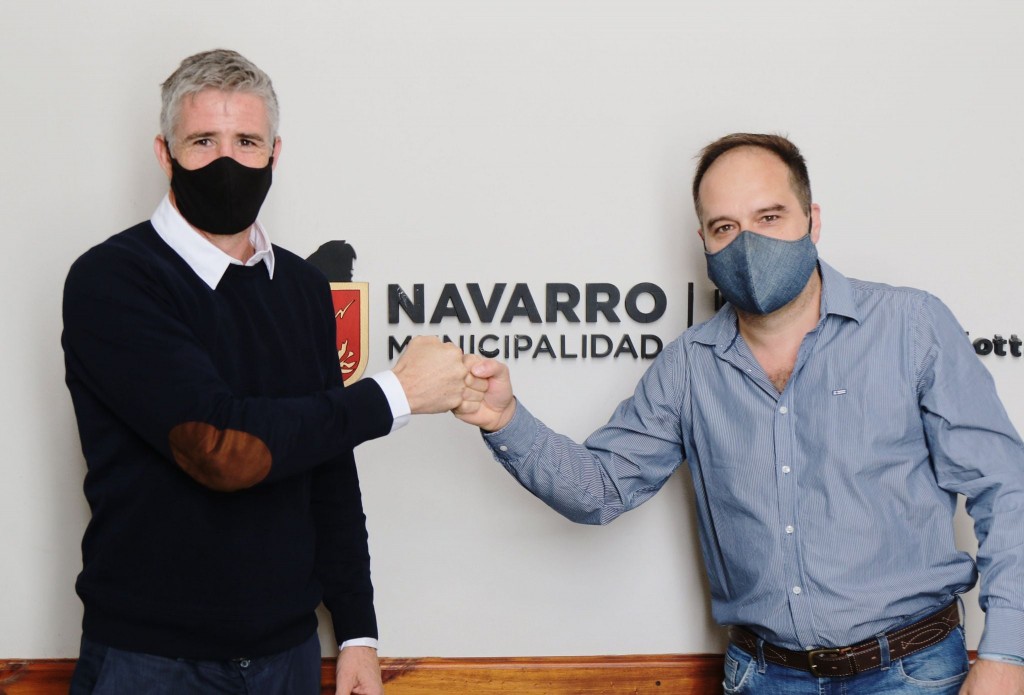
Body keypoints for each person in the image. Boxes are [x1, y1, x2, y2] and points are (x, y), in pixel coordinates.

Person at [454, 133, 1024, 694]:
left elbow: (1005, 488)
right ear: (704, 240)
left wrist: (1006, 653)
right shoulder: (688, 366)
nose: (747, 244)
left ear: (812, 220)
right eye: (725, 227)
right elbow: (599, 490)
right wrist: (504, 418)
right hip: (765, 677)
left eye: (769, 217)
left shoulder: (910, 326)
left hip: (911, 672)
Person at [62, 49, 478, 695]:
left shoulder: (304, 288)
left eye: (247, 142)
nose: (226, 161)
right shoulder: (112, 279)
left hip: (287, 655)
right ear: (165, 153)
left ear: (274, 153)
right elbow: (221, 447)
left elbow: (329, 469)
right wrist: (397, 392)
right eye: (203, 141)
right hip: (149, 661)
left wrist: (358, 632)